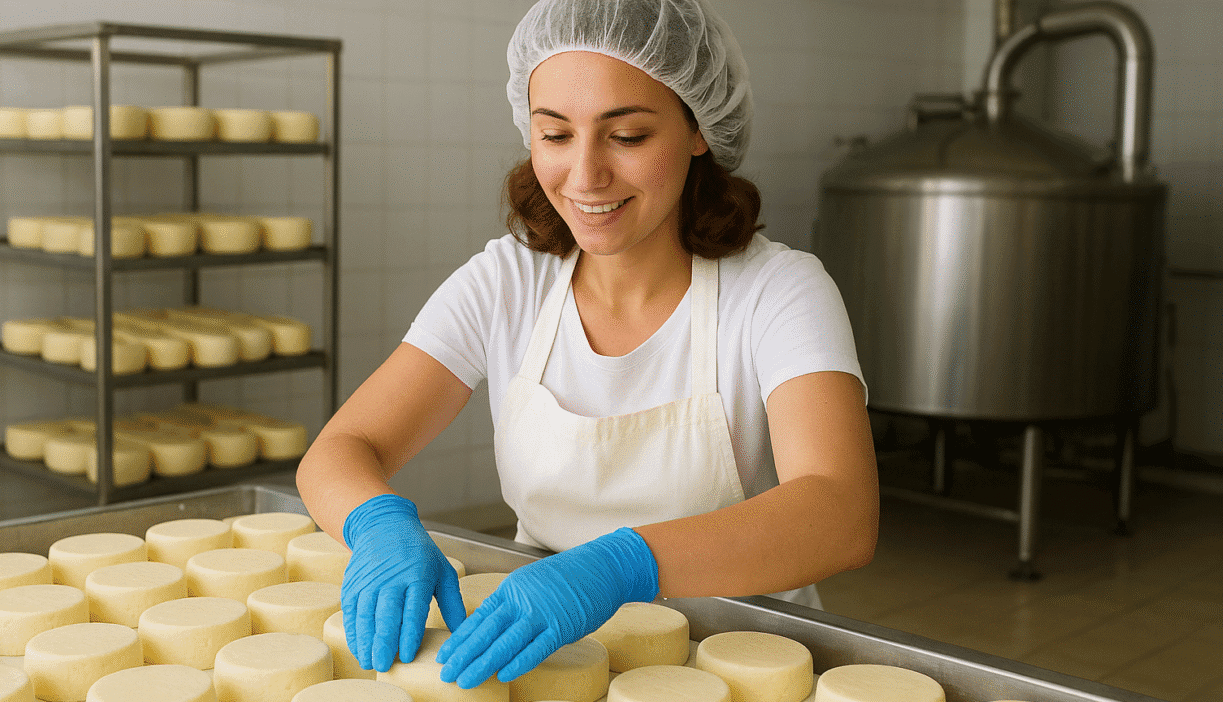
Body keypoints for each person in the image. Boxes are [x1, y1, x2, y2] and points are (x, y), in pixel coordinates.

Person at [296, 0, 878, 691]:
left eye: (627, 135)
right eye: (555, 135)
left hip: (739, 662)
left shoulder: (777, 291)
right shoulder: (507, 281)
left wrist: (624, 564)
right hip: (540, 654)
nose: (585, 174)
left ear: (697, 131)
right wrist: (377, 522)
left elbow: (840, 512)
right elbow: (341, 448)